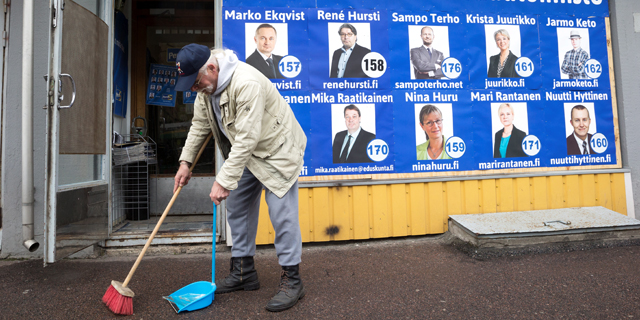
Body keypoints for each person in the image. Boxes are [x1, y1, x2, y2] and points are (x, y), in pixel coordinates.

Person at [173, 44, 307, 312]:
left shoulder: (246, 82)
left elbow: (247, 139)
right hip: (246, 153)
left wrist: (223, 180)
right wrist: (186, 163)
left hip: (277, 151)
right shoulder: (206, 88)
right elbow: (200, 126)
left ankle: (293, 281)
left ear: (212, 68)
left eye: (195, 82)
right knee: (237, 208)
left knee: (283, 216)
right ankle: (244, 273)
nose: (193, 88)